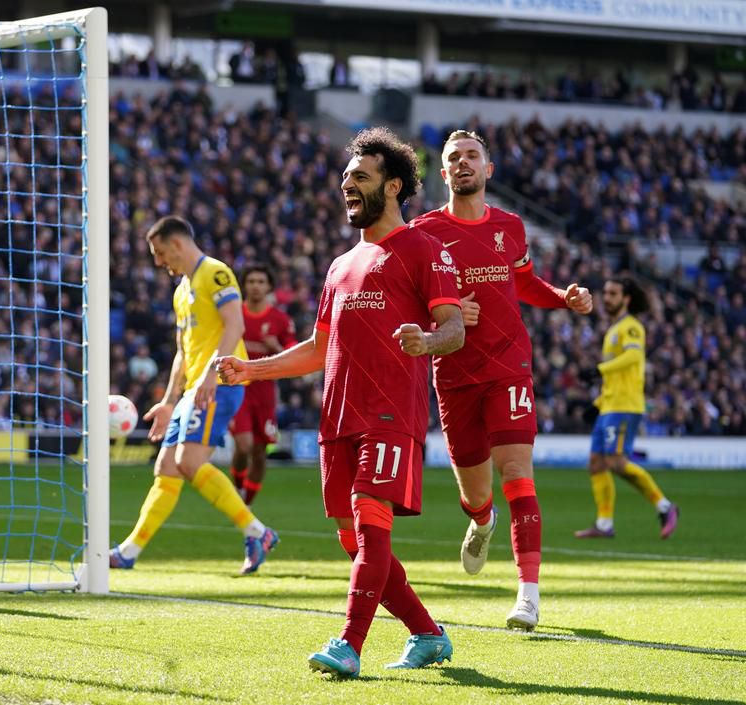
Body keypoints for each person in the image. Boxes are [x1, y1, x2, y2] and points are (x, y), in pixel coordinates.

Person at [217, 127, 464, 678]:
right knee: (353, 540)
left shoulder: (424, 248)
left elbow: (453, 329)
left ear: (394, 186)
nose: (346, 184)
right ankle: (427, 634)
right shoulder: (339, 265)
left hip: (390, 413)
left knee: (372, 529)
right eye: (346, 176)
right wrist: (250, 369)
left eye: (360, 177)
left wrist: (426, 341)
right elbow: (317, 349)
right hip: (339, 418)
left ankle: (349, 645)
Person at [410, 130, 593, 631]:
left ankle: (528, 595)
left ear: (488, 170)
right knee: (475, 489)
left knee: (517, 472)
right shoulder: (422, 232)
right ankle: (481, 520)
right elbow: (405, 303)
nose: (463, 163)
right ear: (443, 174)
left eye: (472, 156)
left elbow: (524, 281)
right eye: (454, 158)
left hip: (509, 364)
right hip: (453, 373)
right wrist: (441, 322)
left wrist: (563, 296)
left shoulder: (510, 226)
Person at [110, 216, 279, 575]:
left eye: (159, 253)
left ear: (177, 245)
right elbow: (182, 352)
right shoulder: (181, 290)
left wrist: (209, 376)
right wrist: (169, 401)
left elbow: (236, 325)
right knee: (166, 468)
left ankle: (257, 532)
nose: (158, 262)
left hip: (221, 383)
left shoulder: (215, 274)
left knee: (188, 462)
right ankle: (129, 551)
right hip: (195, 388)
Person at [576, 277, 679, 539]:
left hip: (625, 406)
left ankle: (665, 507)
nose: (606, 298)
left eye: (613, 293)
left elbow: (634, 357)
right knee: (596, 463)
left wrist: (599, 370)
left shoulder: (632, 327)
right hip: (609, 405)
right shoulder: (613, 330)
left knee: (617, 463)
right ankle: (604, 524)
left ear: (626, 298)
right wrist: (597, 404)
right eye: (606, 293)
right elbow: (615, 377)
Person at [229, 264, 297, 505]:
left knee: (259, 453)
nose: (256, 286)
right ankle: (236, 488)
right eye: (251, 281)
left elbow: (294, 351)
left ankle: (247, 503)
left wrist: (275, 348)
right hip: (238, 389)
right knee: (244, 445)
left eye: (261, 282)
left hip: (266, 391)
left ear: (268, 287)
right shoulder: (234, 314)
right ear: (244, 285)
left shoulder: (280, 320)